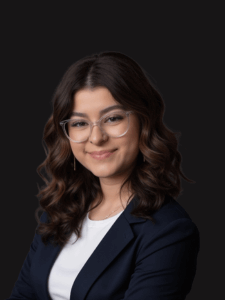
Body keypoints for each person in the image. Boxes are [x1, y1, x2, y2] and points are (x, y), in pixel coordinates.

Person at [7, 51, 200, 300]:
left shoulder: (169, 231)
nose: (96, 138)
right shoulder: (60, 211)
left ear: (144, 121)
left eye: (113, 119)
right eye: (79, 123)